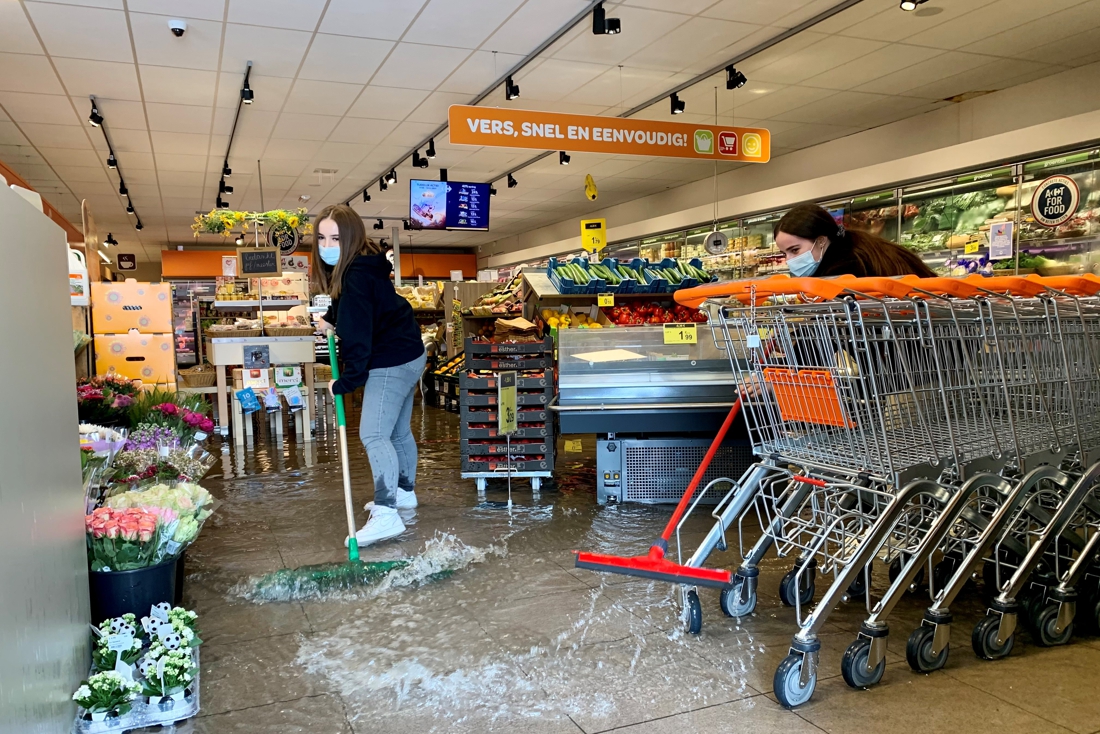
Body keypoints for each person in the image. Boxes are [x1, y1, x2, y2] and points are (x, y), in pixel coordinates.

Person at [311, 204, 426, 545]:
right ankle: (404, 492)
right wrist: (334, 316)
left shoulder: (356, 275)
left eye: (335, 238)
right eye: (321, 237)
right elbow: (354, 304)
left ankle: (387, 514)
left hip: (389, 360)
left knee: (374, 435)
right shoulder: (364, 266)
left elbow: (358, 340)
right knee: (398, 432)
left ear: (350, 239)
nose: (327, 245)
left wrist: (345, 383)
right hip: (410, 353)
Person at [774, 203, 935, 278]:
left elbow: (836, 323)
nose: (789, 260)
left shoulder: (846, 265)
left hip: (914, 333)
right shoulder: (852, 245)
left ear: (822, 240)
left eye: (795, 250)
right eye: (784, 253)